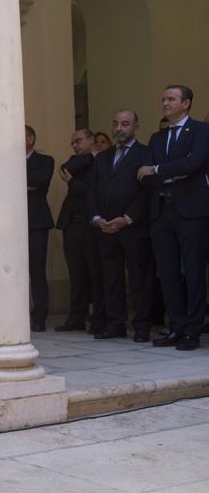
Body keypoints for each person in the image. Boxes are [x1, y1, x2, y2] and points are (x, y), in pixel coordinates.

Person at [138, 85, 209, 351]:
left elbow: (194, 163)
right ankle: (176, 327)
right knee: (167, 273)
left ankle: (193, 330)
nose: (165, 103)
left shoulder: (202, 131)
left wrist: (158, 169)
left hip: (191, 211)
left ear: (186, 103)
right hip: (162, 211)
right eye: (163, 99)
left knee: (193, 271)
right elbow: (143, 174)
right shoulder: (157, 138)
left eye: (171, 99)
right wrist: (169, 172)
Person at [86, 110, 151, 341]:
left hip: (132, 227)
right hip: (105, 227)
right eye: (115, 124)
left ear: (135, 127)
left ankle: (142, 324)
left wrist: (127, 218)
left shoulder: (146, 153)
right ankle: (115, 323)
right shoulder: (103, 157)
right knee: (111, 278)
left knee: (138, 278)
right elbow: (91, 190)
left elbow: (146, 193)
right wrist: (96, 218)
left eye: (125, 124)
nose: (119, 128)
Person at [55, 129, 102, 333]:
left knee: (94, 272)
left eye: (79, 141)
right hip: (71, 223)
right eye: (73, 142)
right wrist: (88, 156)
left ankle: (99, 318)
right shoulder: (85, 160)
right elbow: (66, 168)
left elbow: (90, 190)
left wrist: (73, 182)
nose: (75, 145)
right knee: (76, 273)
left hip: (90, 223)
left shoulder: (102, 162)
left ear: (92, 141)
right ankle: (76, 317)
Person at [26, 125, 55, 332]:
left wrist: (17, 180)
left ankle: (39, 316)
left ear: (31, 138)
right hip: (8, 224)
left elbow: (40, 181)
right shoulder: (5, 161)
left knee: (37, 270)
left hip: (36, 221)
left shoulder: (46, 160)